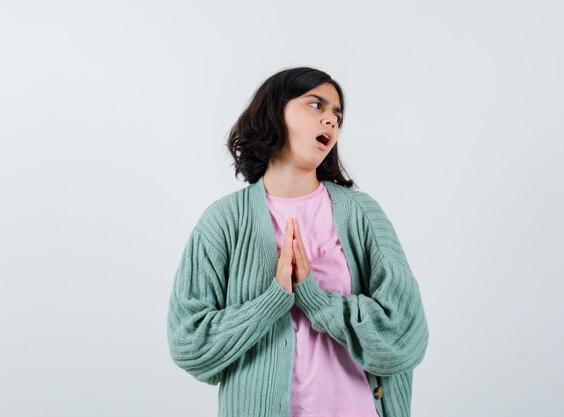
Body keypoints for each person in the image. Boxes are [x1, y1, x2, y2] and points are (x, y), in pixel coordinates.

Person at [166, 66, 429, 417]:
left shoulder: (360, 214)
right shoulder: (223, 220)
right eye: (316, 105)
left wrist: (316, 301)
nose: (332, 121)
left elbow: (406, 334)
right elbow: (189, 342)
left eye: (338, 115)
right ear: (275, 113)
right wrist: (274, 299)